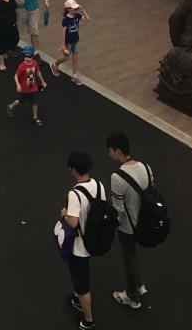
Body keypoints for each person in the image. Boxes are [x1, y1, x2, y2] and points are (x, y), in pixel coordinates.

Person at [106, 132, 150, 309]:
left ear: (118, 151)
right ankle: (139, 285)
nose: (109, 155)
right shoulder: (145, 167)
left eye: (111, 151)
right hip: (145, 222)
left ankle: (132, 296)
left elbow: (118, 209)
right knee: (133, 256)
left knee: (129, 258)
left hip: (128, 226)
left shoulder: (117, 177)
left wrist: (109, 226)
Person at [61, 151, 99, 330]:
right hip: (94, 240)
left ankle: (88, 320)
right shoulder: (98, 185)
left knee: (82, 283)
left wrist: (64, 214)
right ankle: (77, 298)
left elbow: (73, 222)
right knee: (81, 276)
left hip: (79, 246)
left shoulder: (74, 194)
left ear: (73, 170)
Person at [50, 0, 91, 85]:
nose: (76, 10)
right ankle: (54, 64)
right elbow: (63, 33)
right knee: (66, 57)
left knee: (75, 58)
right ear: (69, 9)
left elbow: (88, 19)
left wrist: (83, 11)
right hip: (68, 42)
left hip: (75, 41)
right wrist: (63, 44)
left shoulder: (77, 16)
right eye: (74, 8)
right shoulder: (66, 20)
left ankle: (75, 75)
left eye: (76, 8)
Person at [6, 44, 47, 125]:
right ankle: (10, 107)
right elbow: (16, 75)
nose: (27, 58)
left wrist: (43, 81)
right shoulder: (22, 66)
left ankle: (35, 118)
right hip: (25, 89)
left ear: (33, 57)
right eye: (25, 56)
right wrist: (18, 85)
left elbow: (38, 72)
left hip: (33, 87)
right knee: (21, 101)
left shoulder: (34, 63)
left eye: (29, 56)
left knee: (35, 102)